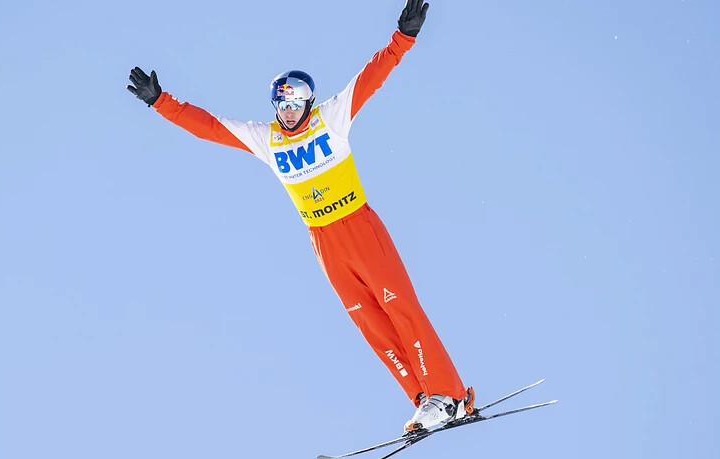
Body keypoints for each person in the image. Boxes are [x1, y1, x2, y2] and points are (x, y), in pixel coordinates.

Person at [127, 0, 473, 432]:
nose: (288, 111)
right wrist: (161, 102)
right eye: (281, 104)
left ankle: (450, 394)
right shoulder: (266, 139)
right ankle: (423, 399)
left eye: (295, 102)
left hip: (358, 226)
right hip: (324, 241)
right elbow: (211, 127)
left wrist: (403, 37)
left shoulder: (330, 118)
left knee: (399, 306)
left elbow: (371, 77)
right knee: (369, 320)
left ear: (308, 101)